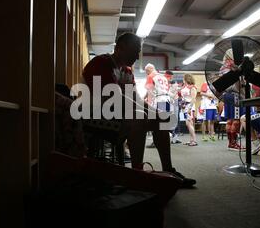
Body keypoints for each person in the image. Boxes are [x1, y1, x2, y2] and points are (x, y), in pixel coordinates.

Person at [82, 33, 196, 187]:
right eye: (134, 51)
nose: (137, 56)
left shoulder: (127, 71)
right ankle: (137, 174)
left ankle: (169, 170)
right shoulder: (101, 63)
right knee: (139, 116)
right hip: (94, 117)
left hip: (117, 115)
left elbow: (136, 99)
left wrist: (157, 113)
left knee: (160, 118)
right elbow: (114, 98)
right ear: (120, 48)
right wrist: (148, 112)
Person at [180, 74, 198, 146]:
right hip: (185, 106)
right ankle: (191, 140)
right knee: (188, 124)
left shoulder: (192, 87)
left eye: (183, 78)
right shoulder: (185, 87)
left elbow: (193, 99)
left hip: (189, 107)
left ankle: (194, 140)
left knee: (189, 123)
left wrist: (189, 108)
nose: (183, 79)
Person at [165, 70, 182, 144]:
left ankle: (175, 137)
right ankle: (170, 136)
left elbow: (177, 91)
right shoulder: (165, 83)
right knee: (167, 120)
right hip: (167, 102)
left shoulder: (174, 83)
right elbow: (166, 93)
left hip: (175, 102)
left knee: (176, 119)